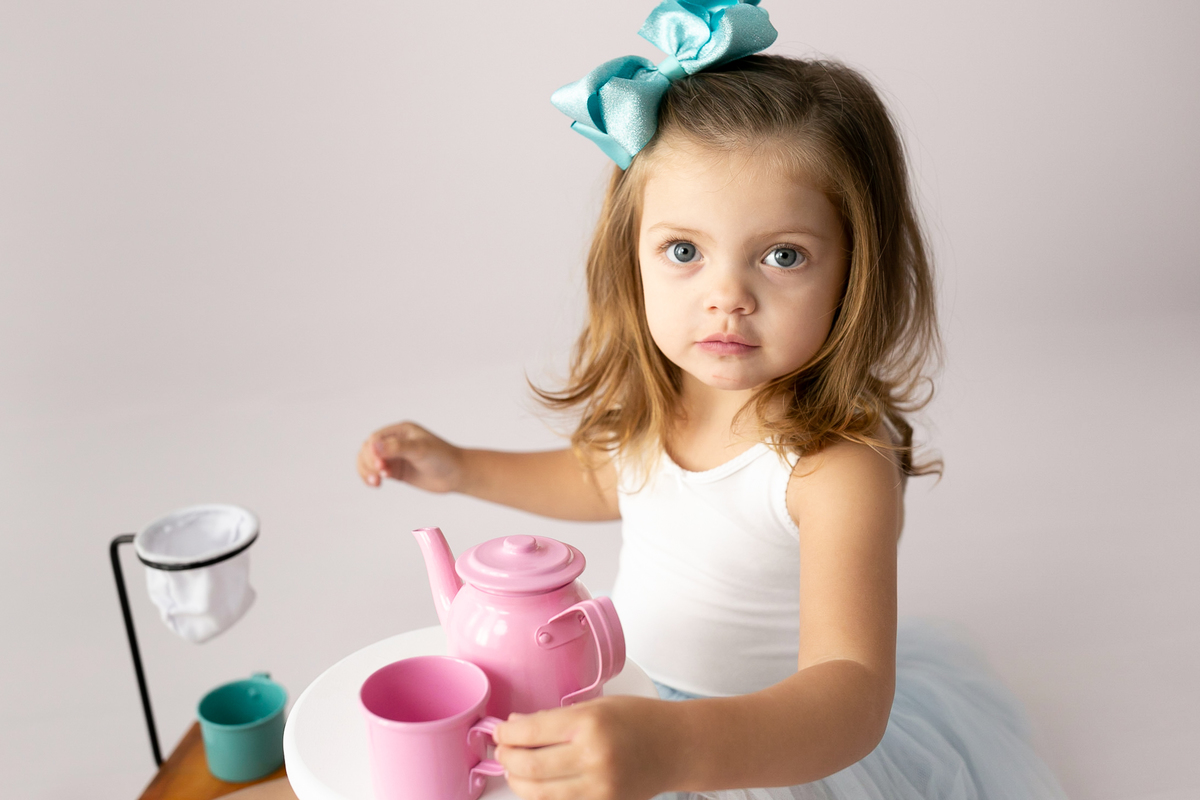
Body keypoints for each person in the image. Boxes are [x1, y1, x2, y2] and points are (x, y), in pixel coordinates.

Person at [355, 2, 1068, 798]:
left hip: (756, 747)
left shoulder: (832, 467)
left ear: (854, 271)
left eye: (783, 255)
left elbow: (851, 697)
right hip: (629, 698)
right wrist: (462, 468)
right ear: (633, 257)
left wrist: (680, 748)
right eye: (685, 251)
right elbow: (606, 480)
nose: (727, 296)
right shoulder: (672, 396)